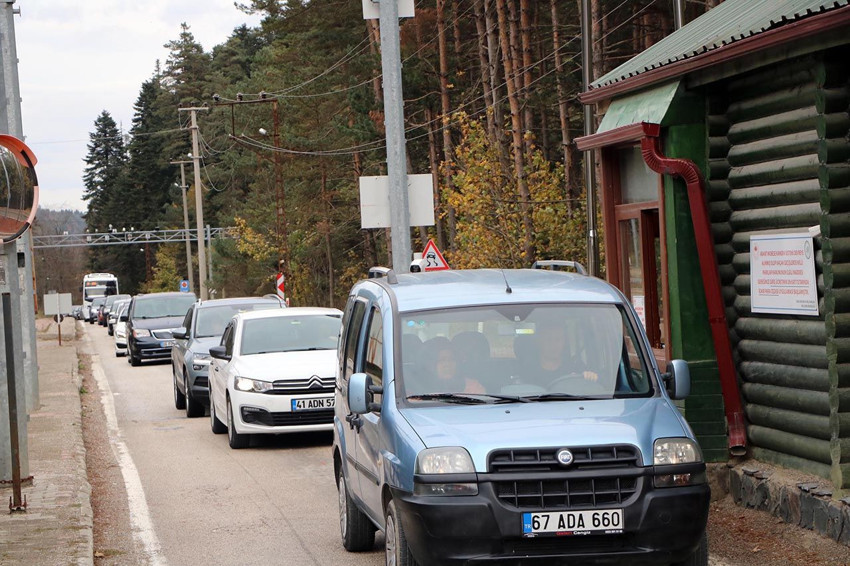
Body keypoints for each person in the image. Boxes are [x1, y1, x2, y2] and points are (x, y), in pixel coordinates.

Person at [532, 320, 598, 386]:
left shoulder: (576, 367)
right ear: (539, 341)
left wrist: (591, 377)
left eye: (558, 339)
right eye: (548, 339)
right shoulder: (528, 371)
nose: (553, 344)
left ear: (564, 342)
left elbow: (596, 387)